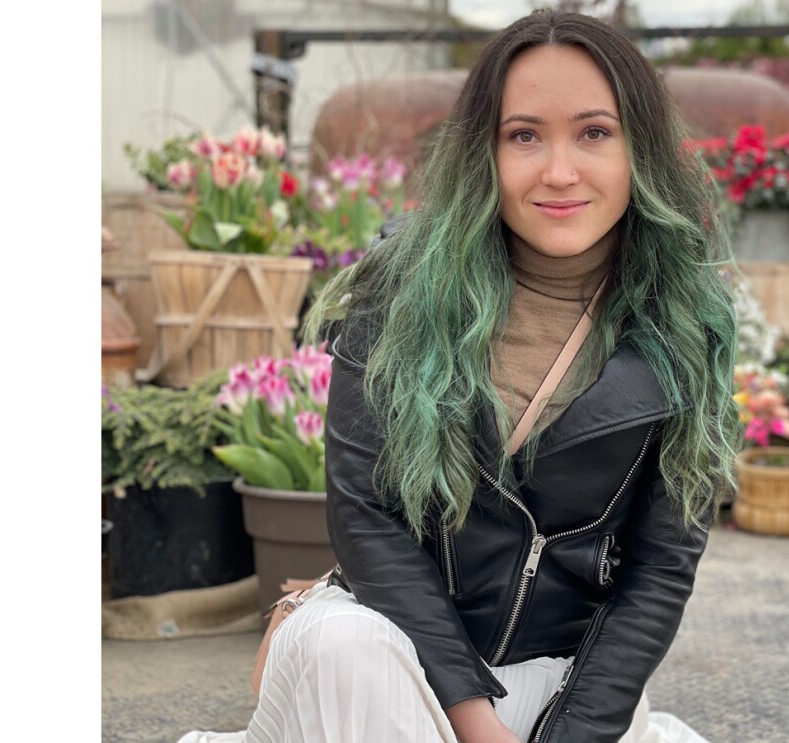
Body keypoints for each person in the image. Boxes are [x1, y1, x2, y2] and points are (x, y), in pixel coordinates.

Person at [180, 9, 741, 743]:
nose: (560, 171)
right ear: (486, 150)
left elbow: (659, 571)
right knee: (346, 647)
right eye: (524, 135)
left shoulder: (686, 327)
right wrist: (475, 725)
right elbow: (366, 519)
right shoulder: (400, 289)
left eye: (594, 132)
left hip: (551, 675)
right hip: (391, 655)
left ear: (640, 149)